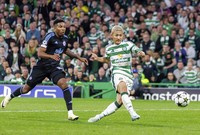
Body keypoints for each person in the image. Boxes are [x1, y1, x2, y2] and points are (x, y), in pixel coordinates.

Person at [1, 18, 88, 121]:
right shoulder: (49, 36)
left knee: (64, 84)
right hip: (41, 67)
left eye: (64, 26)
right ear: (55, 27)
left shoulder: (65, 38)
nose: (63, 28)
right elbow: (40, 53)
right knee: (26, 89)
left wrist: (79, 58)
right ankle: (9, 97)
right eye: (60, 26)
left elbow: (66, 50)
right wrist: (51, 56)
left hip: (54, 67)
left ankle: (70, 113)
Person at [88, 25, 145, 122]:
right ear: (111, 36)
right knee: (122, 86)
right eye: (116, 35)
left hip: (128, 74)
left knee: (119, 101)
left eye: (120, 35)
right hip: (116, 72)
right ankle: (132, 113)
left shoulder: (128, 45)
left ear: (123, 36)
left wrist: (140, 52)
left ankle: (99, 116)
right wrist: (97, 58)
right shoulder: (109, 48)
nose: (118, 37)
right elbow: (107, 59)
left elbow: (136, 49)